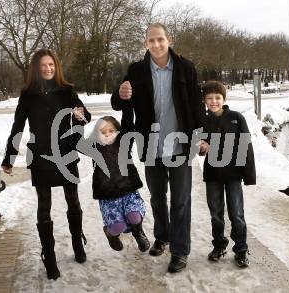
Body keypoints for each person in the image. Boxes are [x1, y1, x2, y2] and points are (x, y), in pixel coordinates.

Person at [111, 23, 203, 273]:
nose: (156, 44)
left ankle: (180, 251)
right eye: (151, 40)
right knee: (157, 197)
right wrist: (120, 93)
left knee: (181, 200)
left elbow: (197, 105)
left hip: (181, 145)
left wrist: (202, 136)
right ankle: (162, 236)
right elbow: (118, 102)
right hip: (151, 145)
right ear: (145, 43)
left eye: (160, 39)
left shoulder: (186, 68)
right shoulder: (136, 70)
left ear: (169, 40)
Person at [1, 49, 91, 280]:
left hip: (66, 154)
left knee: (73, 200)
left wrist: (80, 115)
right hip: (40, 156)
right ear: (36, 68)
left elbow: (84, 115)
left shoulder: (67, 90)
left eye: (51, 64)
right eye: (43, 65)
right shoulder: (28, 94)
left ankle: (77, 243)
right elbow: (18, 127)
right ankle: (49, 256)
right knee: (44, 206)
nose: (48, 68)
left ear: (56, 66)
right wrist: (9, 157)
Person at [199, 80, 256, 268]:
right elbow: (199, 147)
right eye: (209, 98)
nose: (214, 101)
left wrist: (249, 175)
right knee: (216, 213)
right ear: (204, 100)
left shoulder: (236, 118)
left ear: (224, 98)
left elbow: (246, 146)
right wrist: (201, 146)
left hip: (233, 174)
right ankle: (219, 245)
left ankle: (240, 249)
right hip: (213, 174)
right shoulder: (203, 120)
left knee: (236, 214)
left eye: (217, 97)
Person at [89, 116, 150, 252]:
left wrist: (127, 103)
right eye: (103, 132)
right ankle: (110, 234)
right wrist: (77, 121)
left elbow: (128, 124)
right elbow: (76, 142)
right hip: (108, 195)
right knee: (118, 226)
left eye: (111, 130)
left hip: (128, 189)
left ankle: (138, 232)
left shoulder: (124, 142)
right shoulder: (94, 147)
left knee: (134, 216)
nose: (107, 134)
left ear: (118, 131)